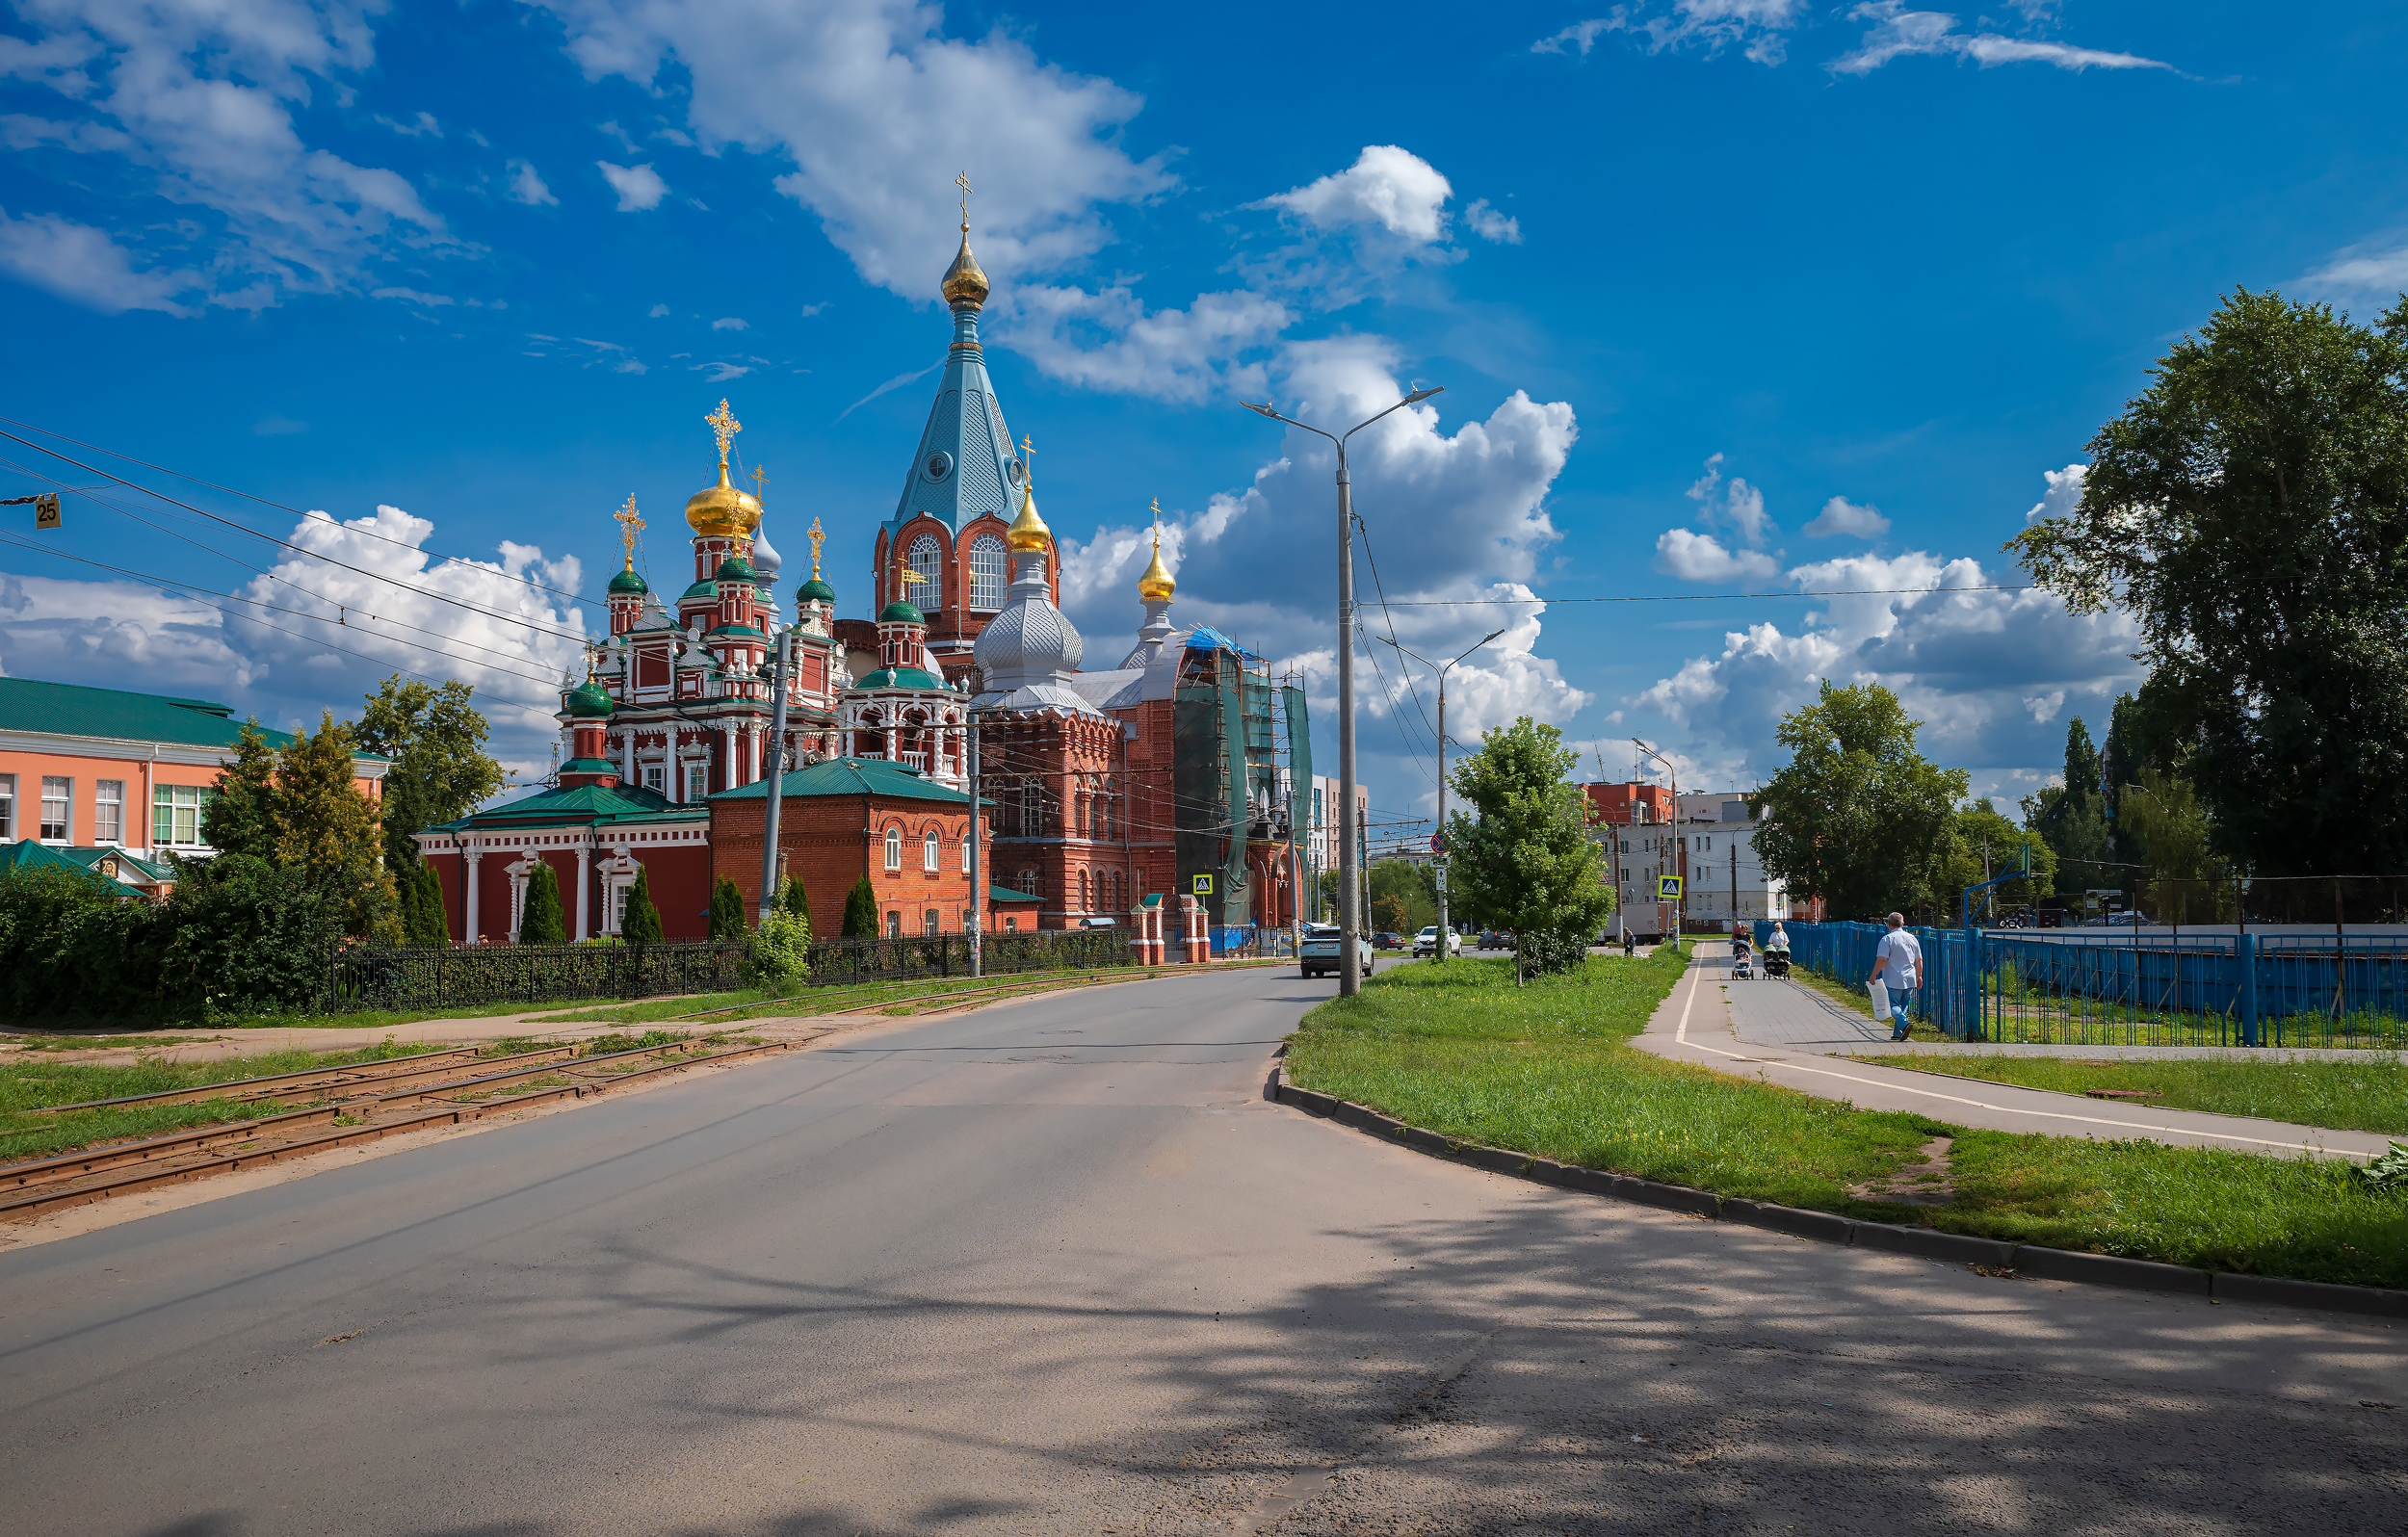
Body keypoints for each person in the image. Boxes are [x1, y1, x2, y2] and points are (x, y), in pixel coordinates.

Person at [1869, 911, 1922, 1041]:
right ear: (1903, 924)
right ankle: (1898, 1034)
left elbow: (1882, 959)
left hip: (1893, 978)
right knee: (1903, 1005)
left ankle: (1904, 1023)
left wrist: (1873, 975)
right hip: (1910, 978)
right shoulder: (1912, 938)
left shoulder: (1887, 939)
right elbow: (1918, 959)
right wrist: (1919, 976)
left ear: (1888, 924)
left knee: (1892, 1005)